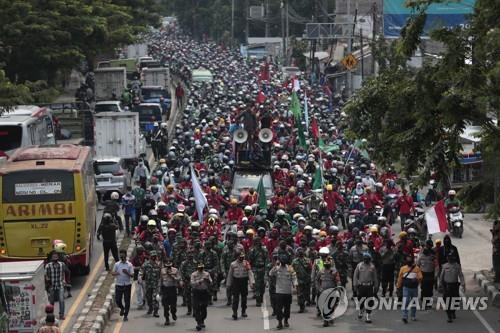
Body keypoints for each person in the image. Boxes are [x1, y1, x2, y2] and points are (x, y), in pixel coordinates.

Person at [269, 256, 297, 330]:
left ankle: (286, 320)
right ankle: (280, 322)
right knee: (279, 308)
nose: (283, 263)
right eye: (282, 262)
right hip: (279, 292)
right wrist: (275, 266)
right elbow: (270, 274)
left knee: (287, 308)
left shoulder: (290, 268)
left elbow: (294, 277)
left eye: (285, 262)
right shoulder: (277, 268)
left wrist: (295, 285)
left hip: (288, 291)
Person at [226, 252, 255, 320]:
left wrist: (252, 282)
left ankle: (243, 311)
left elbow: (250, 273)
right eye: (240, 257)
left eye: (243, 257)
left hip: (244, 281)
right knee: (235, 298)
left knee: (244, 298)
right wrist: (228, 284)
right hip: (236, 282)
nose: (242, 258)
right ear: (237, 257)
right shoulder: (233, 264)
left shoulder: (246, 263)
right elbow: (230, 275)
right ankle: (235, 312)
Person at [353, 252, 378, 323]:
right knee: (360, 300)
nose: (366, 260)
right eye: (365, 259)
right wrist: (355, 285)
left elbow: (375, 277)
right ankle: (361, 311)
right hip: (361, 286)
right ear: (363, 259)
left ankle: (368, 316)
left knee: (369, 301)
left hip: (369, 286)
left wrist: (376, 286)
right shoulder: (359, 265)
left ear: (370, 259)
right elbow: (355, 276)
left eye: (367, 259)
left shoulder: (372, 266)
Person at [396, 255, 423, 323]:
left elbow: (420, 277)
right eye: (408, 260)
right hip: (406, 288)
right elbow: (400, 278)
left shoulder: (417, 268)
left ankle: (413, 315)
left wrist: (416, 279)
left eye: (410, 260)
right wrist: (398, 286)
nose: (409, 262)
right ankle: (405, 316)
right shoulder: (403, 268)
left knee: (414, 302)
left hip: (414, 288)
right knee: (406, 301)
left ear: (412, 261)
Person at [439, 253, 465, 323]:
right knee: (447, 300)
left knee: (456, 300)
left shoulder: (457, 266)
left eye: (451, 257)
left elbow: (461, 275)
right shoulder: (444, 266)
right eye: (448, 257)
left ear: (453, 258)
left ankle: (453, 311)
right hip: (447, 286)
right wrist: (440, 285)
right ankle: (449, 316)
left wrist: (463, 284)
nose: (449, 258)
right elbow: (441, 276)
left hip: (455, 285)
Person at [112, 249, 134, 322]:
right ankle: (122, 308)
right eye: (120, 254)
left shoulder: (129, 265)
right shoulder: (117, 264)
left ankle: (125, 315)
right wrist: (116, 273)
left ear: (125, 255)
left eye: (122, 254)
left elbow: (132, 275)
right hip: (119, 284)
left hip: (127, 285)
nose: (121, 255)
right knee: (118, 300)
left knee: (127, 301)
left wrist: (126, 272)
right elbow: (112, 273)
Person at [191, 262, 212, 331]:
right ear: (197, 268)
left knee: (204, 308)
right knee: (197, 308)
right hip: (196, 292)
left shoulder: (206, 274)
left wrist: (207, 280)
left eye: (202, 268)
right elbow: (192, 284)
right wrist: (200, 281)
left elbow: (211, 282)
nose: (201, 269)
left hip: (204, 292)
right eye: (199, 268)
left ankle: (202, 320)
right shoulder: (194, 274)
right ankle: (198, 323)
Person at [45, 252, 66, 320]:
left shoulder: (62, 264)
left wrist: (64, 280)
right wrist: (48, 283)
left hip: (60, 285)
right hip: (52, 286)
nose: (55, 258)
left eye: (56, 257)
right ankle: (51, 316)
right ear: (51, 258)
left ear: (58, 257)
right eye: (53, 257)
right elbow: (46, 276)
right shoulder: (48, 266)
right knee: (51, 302)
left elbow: (63, 273)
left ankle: (61, 315)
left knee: (61, 300)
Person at [417, 240, 437, 307]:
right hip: (423, 274)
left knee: (430, 289)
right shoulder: (421, 255)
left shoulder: (433, 255)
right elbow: (418, 265)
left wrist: (436, 275)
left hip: (431, 274)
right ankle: (423, 301)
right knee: (424, 288)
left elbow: (436, 266)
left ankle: (428, 302)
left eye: (430, 246)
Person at [291, 247, 312, 313]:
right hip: (298, 280)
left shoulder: (308, 260)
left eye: (301, 252)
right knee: (300, 294)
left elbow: (310, 269)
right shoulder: (294, 261)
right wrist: (293, 280)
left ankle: (304, 302)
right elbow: (291, 270)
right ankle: (301, 307)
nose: (300, 253)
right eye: (299, 252)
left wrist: (310, 278)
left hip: (306, 280)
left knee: (306, 294)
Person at [160, 260, 180, 326]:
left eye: (169, 266)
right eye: (167, 266)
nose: (168, 267)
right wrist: (159, 289)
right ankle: (167, 319)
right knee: (165, 306)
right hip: (165, 289)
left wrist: (172, 276)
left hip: (173, 289)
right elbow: (161, 280)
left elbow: (179, 278)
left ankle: (173, 314)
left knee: (173, 306)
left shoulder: (175, 270)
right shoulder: (162, 270)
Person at [141, 251, 161, 317]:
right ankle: (150, 308)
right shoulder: (146, 264)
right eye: (152, 256)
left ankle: (156, 311)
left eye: (155, 256)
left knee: (156, 298)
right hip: (148, 284)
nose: (154, 257)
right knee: (148, 297)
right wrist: (141, 279)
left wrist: (161, 283)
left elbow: (161, 274)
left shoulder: (158, 264)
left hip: (156, 284)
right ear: (150, 256)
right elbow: (142, 273)